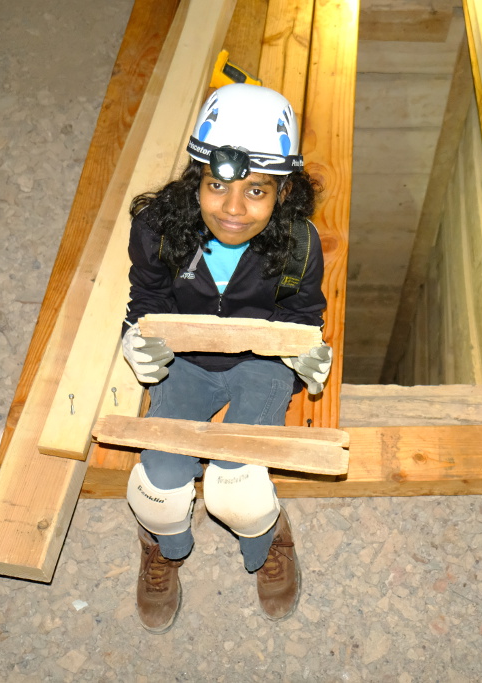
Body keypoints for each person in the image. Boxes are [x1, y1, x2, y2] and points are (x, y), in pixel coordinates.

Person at [119, 83, 333, 634]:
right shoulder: (159, 232)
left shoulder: (298, 245)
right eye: (217, 186)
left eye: (256, 192)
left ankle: (267, 538)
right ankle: (162, 546)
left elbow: (302, 311)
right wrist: (137, 338)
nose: (234, 210)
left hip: (258, 362)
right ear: (197, 180)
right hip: (187, 360)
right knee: (158, 484)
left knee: (236, 486)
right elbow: (146, 298)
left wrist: (303, 349)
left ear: (283, 193)